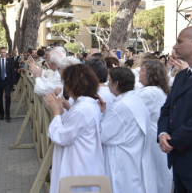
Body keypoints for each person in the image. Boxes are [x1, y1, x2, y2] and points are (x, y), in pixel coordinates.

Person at [158, 26, 192, 192]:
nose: (174, 46)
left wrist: (172, 141)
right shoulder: (181, 75)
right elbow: (167, 109)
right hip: (180, 164)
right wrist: (162, 133)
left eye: (179, 42)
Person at [45, 64, 105, 193]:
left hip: (76, 163)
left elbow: (62, 137)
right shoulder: (86, 103)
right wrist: (65, 108)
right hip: (83, 159)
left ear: (73, 85)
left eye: (66, 82)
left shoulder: (82, 108)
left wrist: (56, 114)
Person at [100, 67, 157, 193]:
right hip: (132, 153)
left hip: (120, 157)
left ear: (116, 84)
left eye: (109, 81)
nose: (107, 84)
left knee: (121, 186)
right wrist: (104, 112)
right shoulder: (134, 99)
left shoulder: (120, 106)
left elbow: (102, 135)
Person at [137, 59, 173, 193]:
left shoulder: (149, 92)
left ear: (150, 74)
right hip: (155, 137)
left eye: (142, 70)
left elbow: (130, 108)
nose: (139, 73)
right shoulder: (157, 90)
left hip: (153, 140)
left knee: (155, 176)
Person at [0, 47, 16, 121]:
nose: (3, 54)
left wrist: (14, 83)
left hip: (7, 81)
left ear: (6, 53)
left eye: (4, 52)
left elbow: (13, 73)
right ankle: (1, 114)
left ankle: (7, 115)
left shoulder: (10, 61)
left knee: (8, 97)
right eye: (1, 52)